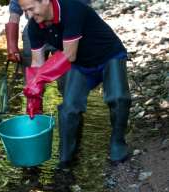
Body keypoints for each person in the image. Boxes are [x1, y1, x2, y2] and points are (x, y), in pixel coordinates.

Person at [18, 0, 131, 167]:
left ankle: (118, 143)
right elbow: (37, 64)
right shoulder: (35, 26)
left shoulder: (71, 9)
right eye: (24, 11)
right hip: (81, 64)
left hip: (109, 56)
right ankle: (65, 159)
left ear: (45, 1)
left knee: (118, 97)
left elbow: (69, 54)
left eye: (31, 9)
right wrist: (33, 97)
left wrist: (40, 77)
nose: (28, 15)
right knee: (69, 108)